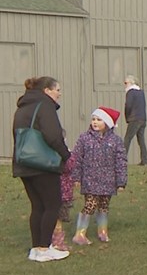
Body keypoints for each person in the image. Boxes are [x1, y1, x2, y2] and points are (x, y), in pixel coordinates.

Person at [13, 76, 71, 262]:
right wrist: (66, 155)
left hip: (24, 163)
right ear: (47, 90)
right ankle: (45, 248)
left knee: (37, 206)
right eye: (57, 90)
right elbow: (53, 136)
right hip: (43, 164)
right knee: (52, 205)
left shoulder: (23, 107)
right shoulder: (45, 106)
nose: (59, 94)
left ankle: (36, 248)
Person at [70, 107, 128, 245]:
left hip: (108, 180)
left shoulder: (116, 140)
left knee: (104, 205)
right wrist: (76, 177)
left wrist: (121, 182)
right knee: (90, 204)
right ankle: (80, 234)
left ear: (107, 123)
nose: (95, 122)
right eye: (93, 119)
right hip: (90, 179)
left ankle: (102, 231)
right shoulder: (84, 138)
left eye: (99, 119)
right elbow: (77, 158)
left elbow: (121, 161)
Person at [122, 74, 147, 165]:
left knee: (127, 138)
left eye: (126, 83)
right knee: (141, 140)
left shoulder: (130, 92)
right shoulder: (141, 92)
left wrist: (127, 117)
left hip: (134, 118)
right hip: (142, 118)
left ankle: (122, 159)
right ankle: (144, 160)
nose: (125, 85)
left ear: (131, 83)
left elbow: (128, 105)